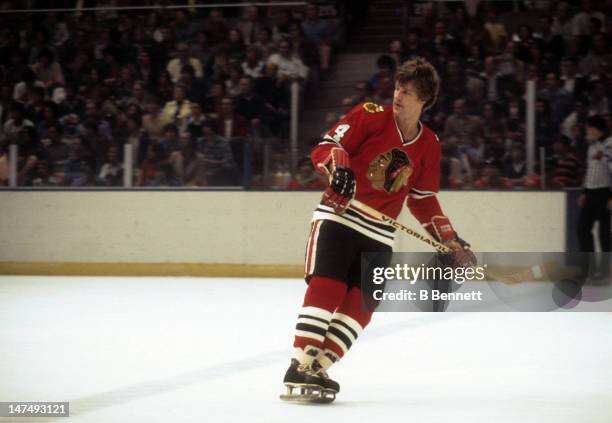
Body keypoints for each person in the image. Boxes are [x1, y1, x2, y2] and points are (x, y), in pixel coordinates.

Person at [281, 58, 475, 401]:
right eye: (399, 87)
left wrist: (450, 240)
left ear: (424, 101)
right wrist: (339, 166)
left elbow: (423, 200)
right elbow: (326, 146)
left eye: (409, 92)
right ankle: (300, 361)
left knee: (362, 306)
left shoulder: (430, 144)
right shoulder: (370, 114)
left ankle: (319, 366)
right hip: (340, 216)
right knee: (328, 287)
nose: (399, 95)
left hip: (379, 233)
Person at [577, 115, 611, 280]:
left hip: (604, 193)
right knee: (582, 229)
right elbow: (590, 170)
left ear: (598, 129)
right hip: (591, 193)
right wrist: (584, 191)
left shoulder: (609, 144)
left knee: (604, 234)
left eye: (590, 128)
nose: (588, 131)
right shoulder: (591, 147)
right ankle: (588, 269)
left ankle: (605, 272)